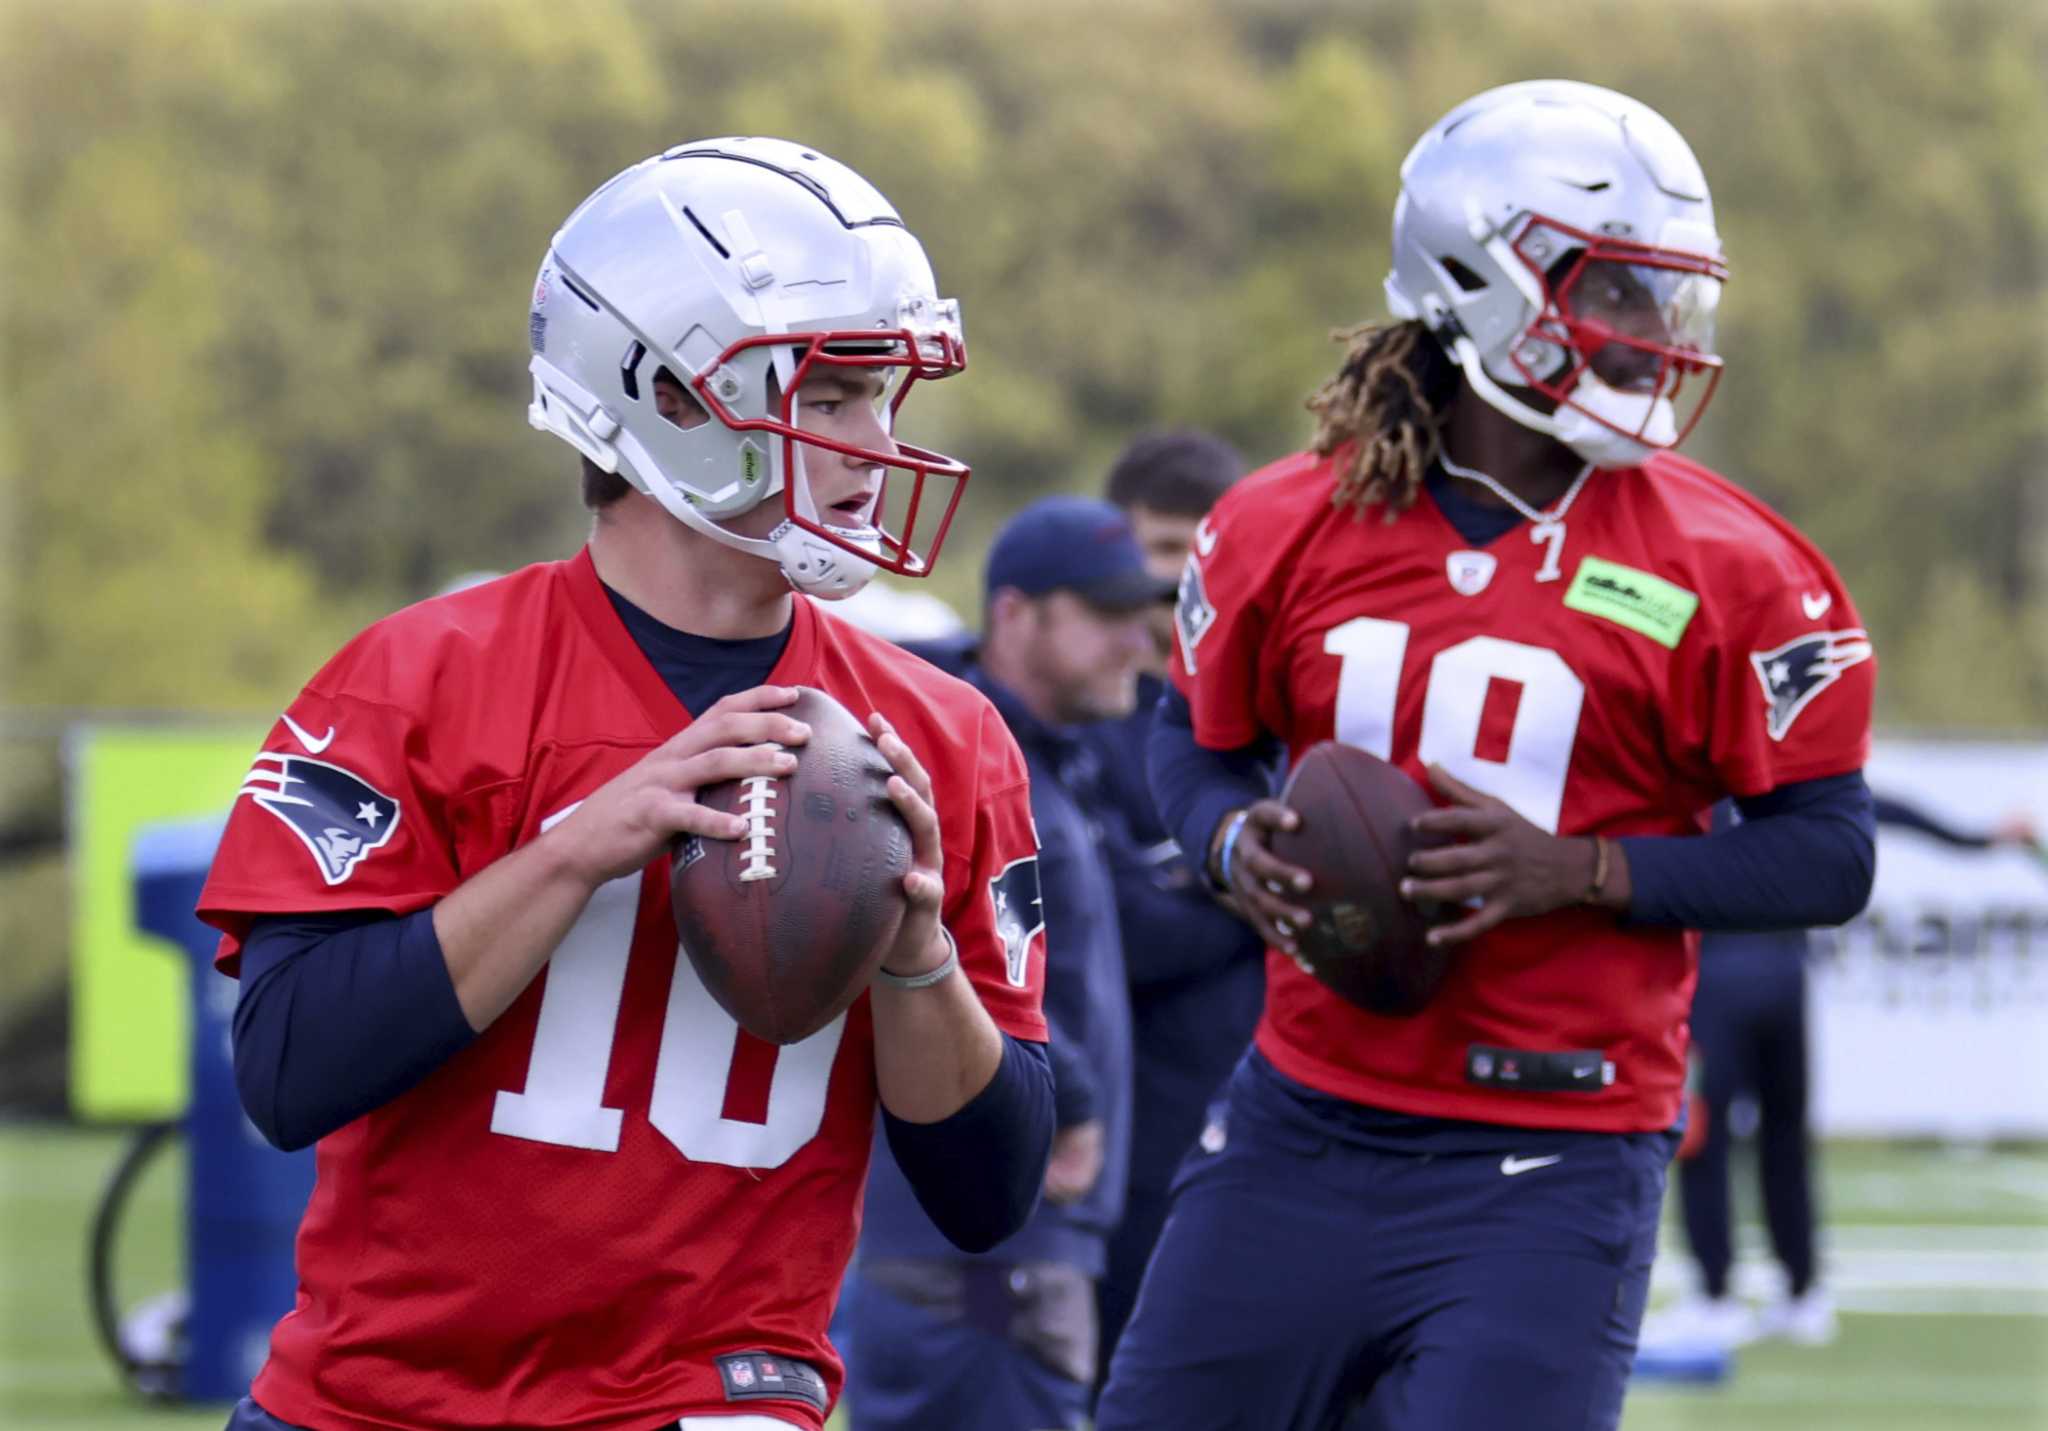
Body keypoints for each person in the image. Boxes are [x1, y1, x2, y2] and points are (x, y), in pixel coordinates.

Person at [197, 138, 1056, 1431]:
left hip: (711, 1395)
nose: (876, 445)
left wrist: (919, 952)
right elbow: (288, 1070)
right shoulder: (417, 681)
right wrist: (571, 851)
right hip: (379, 1400)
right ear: (661, 388)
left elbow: (990, 1192)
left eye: (885, 398)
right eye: (828, 396)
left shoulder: (943, 731)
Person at [1094, 81, 1879, 1431]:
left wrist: (1585, 869)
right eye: (1615, 292)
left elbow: (1830, 850)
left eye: (1664, 297)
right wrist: (1232, 843)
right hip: (1306, 1119)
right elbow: (1196, 742)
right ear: (1476, 275)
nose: (1651, 336)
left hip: (1561, 1148)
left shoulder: (1741, 568)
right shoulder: (1282, 522)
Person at [844, 496, 1164, 1431]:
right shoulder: (948, 759)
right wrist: (1072, 1096)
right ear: (1016, 613)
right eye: (1105, 614)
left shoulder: (1059, 762)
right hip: (984, 1240)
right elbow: (946, 933)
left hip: (1007, 1239)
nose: (1133, 643)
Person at [1647, 795, 2044, 1353]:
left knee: (1709, 1143)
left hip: (1719, 985)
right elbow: (1889, 810)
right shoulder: (1793, 787)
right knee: (1784, 1139)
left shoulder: (1702, 788)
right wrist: (1982, 838)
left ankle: (1715, 1299)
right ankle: (1802, 1295)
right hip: (1785, 981)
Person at [1086, 431, 1266, 1379]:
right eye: (1165, 547)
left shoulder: (1276, 705)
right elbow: (1110, 927)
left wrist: (1211, 881)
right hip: (1126, 1139)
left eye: (1212, 543)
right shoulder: (1087, 713)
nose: (1192, 572)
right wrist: (1253, 893)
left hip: (1268, 1126)